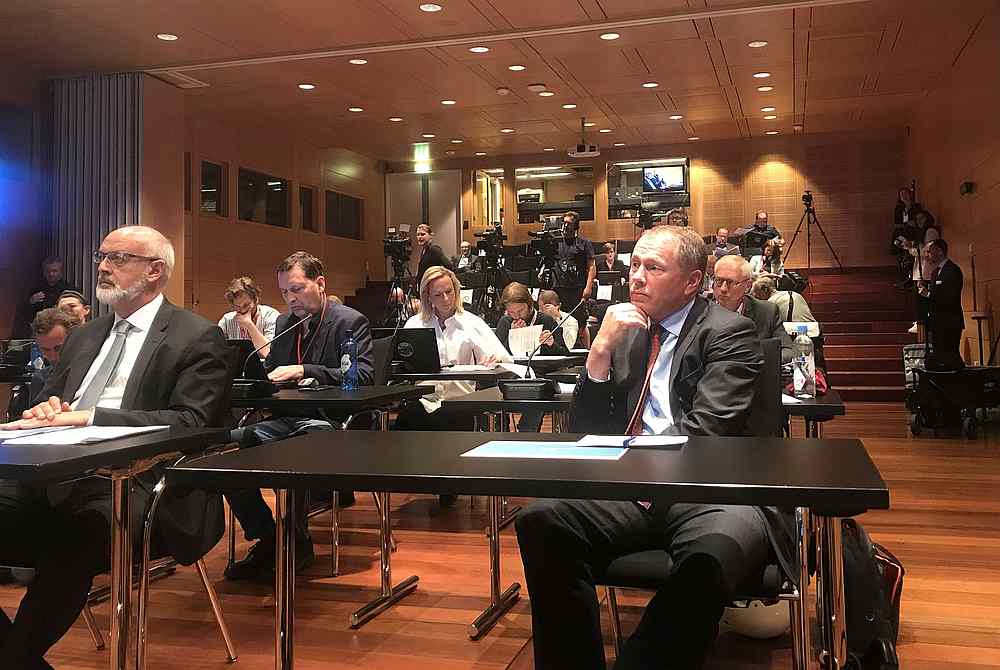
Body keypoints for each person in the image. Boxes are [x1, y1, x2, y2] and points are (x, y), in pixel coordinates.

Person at [515, 226, 794, 670]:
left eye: (653, 267)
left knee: (707, 559)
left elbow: (708, 433)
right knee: (541, 520)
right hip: (633, 487)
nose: (636, 278)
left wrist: (633, 467)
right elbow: (587, 432)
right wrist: (599, 353)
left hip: (711, 489)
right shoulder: (627, 330)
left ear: (691, 282)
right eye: (634, 266)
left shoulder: (729, 332)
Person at [0, 226, 231, 670]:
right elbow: (53, 400)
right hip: (55, 471)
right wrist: (46, 409)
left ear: (156, 271)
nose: (102, 267)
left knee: (76, 535)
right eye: (101, 256)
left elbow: (193, 422)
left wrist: (92, 417)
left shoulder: (196, 336)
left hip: (140, 482)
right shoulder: (84, 337)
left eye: (119, 258)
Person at [224, 251, 374, 581]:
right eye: (284, 293)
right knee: (223, 450)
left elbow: (361, 377)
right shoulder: (284, 324)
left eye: (297, 289)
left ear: (320, 284)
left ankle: (296, 542)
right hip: (286, 417)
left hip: (330, 421)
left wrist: (308, 369)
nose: (291, 298)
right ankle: (269, 536)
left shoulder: (349, 322)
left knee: (303, 446)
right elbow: (275, 370)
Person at [394, 266, 511, 503]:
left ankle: (448, 482)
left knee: (450, 418)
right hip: (424, 398)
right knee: (407, 420)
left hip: (460, 400)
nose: (446, 299)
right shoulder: (414, 325)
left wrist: (494, 358)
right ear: (427, 296)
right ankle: (422, 476)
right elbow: (401, 363)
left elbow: (504, 357)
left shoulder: (472, 323)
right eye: (438, 295)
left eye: (450, 292)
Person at [715, 255, 792, 363]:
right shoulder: (701, 312)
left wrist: (750, 363)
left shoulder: (767, 312)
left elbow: (787, 351)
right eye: (719, 281)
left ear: (748, 286)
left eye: (730, 282)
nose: (723, 289)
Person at [921, 239, 964, 370]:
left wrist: (928, 294)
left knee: (951, 357)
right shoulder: (935, 272)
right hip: (937, 322)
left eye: (929, 251)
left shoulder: (952, 270)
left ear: (939, 251)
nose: (927, 255)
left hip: (949, 322)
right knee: (940, 358)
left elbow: (950, 297)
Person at [554, 211, 597, 342]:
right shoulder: (556, 242)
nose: (565, 226)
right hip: (558, 288)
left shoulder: (584, 243)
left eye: (569, 223)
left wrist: (588, 287)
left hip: (577, 289)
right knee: (558, 322)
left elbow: (591, 266)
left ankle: (587, 354)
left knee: (581, 324)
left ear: (576, 226)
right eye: (564, 222)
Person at [495, 282, 568, 358]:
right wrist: (513, 336)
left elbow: (565, 354)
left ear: (530, 305)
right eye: (511, 312)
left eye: (520, 311)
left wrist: (552, 344)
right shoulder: (505, 322)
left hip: (542, 369)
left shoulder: (546, 320)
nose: (516, 316)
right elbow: (496, 355)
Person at [11, 256, 77, 339]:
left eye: (54, 271)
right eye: (48, 271)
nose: (51, 274)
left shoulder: (69, 290)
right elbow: (23, 313)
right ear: (44, 272)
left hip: (62, 332)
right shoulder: (35, 288)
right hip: (38, 333)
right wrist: (30, 302)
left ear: (61, 272)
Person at [217, 276, 280, 358]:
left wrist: (249, 326)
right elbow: (217, 349)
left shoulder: (271, 315)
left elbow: (269, 353)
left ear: (256, 300)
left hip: (265, 368)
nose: (242, 310)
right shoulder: (226, 320)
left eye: (246, 305)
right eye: (237, 306)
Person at [28, 307, 83, 396]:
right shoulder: (40, 380)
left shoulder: (93, 371)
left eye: (59, 348)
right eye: (45, 350)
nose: (53, 357)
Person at [752, 277, 817, 324]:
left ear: (765, 289)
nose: (756, 296)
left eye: (757, 293)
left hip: (796, 336)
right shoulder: (795, 294)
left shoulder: (770, 303)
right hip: (814, 332)